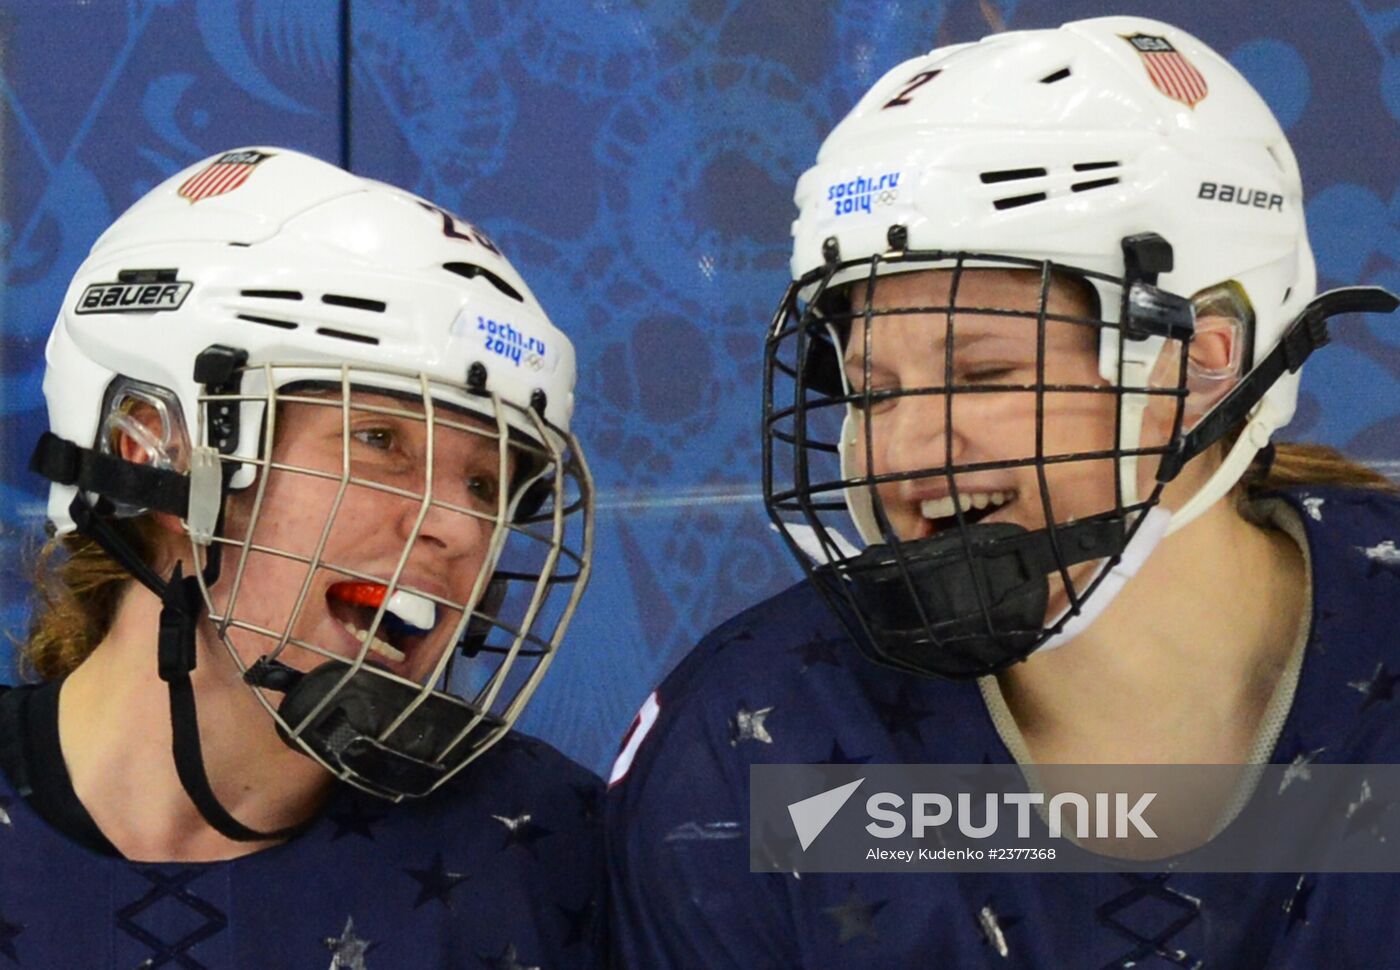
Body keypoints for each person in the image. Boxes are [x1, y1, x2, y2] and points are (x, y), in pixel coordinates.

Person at [607, 16, 1400, 968]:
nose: (902, 451)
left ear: (1202, 363)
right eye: (872, 390)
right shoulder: (759, 742)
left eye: (979, 374)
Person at [10, 147, 603, 968]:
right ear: (150, 446)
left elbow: (812, 835)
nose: (462, 531)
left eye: (487, 483)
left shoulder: (561, 844)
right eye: (379, 440)